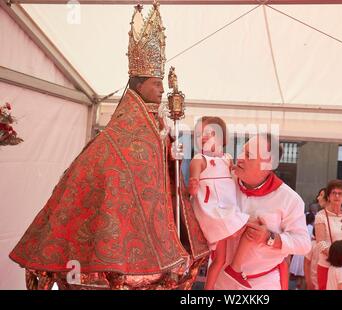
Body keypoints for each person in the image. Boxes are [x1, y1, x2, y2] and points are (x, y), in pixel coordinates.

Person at [8, 3, 209, 290]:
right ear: (138, 85)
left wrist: (168, 142)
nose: (161, 91)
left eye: (162, 86)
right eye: (156, 85)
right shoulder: (125, 130)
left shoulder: (153, 124)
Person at [214, 133, 311, 289]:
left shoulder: (289, 199)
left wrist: (270, 237)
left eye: (248, 155)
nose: (239, 157)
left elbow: (304, 244)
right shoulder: (224, 182)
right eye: (242, 151)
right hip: (222, 278)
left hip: (263, 282)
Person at [188, 116, 250, 290]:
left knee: (220, 259)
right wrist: (192, 186)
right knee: (250, 226)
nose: (204, 136)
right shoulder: (199, 159)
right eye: (200, 134)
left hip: (225, 209)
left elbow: (238, 177)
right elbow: (192, 184)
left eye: (210, 132)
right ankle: (236, 268)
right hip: (211, 211)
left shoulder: (228, 158)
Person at [315, 179, 342, 290]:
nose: (337, 196)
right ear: (328, 196)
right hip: (327, 265)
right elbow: (321, 243)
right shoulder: (321, 216)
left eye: (340, 194)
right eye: (334, 193)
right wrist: (339, 260)